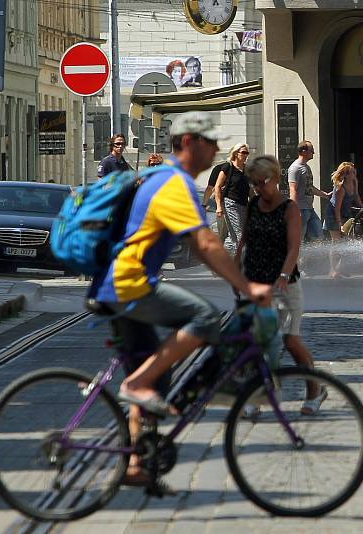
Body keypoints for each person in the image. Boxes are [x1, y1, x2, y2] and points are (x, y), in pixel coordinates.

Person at [86, 111, 270, 485]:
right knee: (204, 316)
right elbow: (204, 242)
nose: (216, 149)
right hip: (130, 283)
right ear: (188, 143)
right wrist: (247, 286)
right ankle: (135, 387)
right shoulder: (174, 182)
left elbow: (198, 245)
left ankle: (136, 462)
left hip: (116, 282)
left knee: (155, 373)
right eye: (210, 141)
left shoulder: (157, 176)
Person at [237, 154, 327, 416]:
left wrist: (284, 277)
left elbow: (293, 248)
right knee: (260, 342)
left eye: (261, 182)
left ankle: (315, 389)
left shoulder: (290, 209)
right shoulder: (254, 204)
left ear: (275, 178)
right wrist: (236, 268)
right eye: (253, 183)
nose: (257, 187)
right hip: (257, 283)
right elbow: (245, 238)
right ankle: (257, 396)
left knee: (290, 340)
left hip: (286, 285)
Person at [323, 162, 362, 278]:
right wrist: (339, 224)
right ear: (346, 175)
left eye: (355, 171)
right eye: (352, 172)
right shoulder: (340, 187)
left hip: (345, 213)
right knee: (336, 242)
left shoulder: (354, 182)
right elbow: (337, 208)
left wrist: (362, 206)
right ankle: (333, 270)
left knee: (346, 242)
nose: (355, 173)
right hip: (333, 214)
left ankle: (340, 268)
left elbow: (356, 195)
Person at [288, 140, 330, 243]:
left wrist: (324, 195)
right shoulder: (295, 168)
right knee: (299, 240)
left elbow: (309, 187)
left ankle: (309, 258)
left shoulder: (306, 167)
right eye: (311, 150)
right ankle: (296, 259)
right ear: (303, 151)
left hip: (309, 209)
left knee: (318, 235)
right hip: (301, 209)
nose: (313, 153)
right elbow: (292, 189)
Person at [214, 143, 252, 255]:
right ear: (236, 153)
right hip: (231, 203)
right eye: (243, 153)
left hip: (244, 204)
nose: (246, 155)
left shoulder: (247, 169)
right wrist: (219, 206)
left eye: (247, 153)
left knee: (239, 236)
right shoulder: (228, 167)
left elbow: (250, 189)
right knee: (240, 235)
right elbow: (217, 186)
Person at [204, 158, 229, 244]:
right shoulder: (219, 168)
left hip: (240, 205)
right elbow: (210, 188)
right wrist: (204, 205)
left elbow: (250, 189)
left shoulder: (245, 169)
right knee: (222, 234)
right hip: (222, 203)